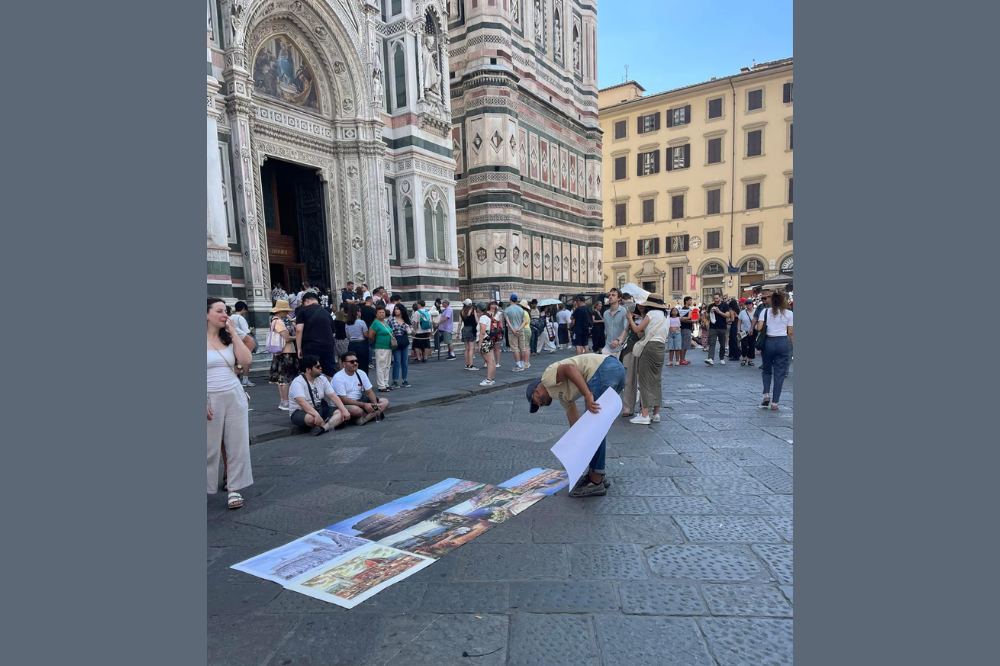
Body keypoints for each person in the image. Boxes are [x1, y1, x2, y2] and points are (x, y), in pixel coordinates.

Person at [525, 353, 626, 497]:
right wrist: (576, 442)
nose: (539, 406)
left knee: (593, 429)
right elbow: (576, 424)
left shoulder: (547, 378)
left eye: (535, 402)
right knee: (594, 429)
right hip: (616, 371)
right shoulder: (561, 395)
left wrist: (587, 395)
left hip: (604, 370)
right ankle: (598, 474)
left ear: (536, 391)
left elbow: (570, 369)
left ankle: (595, 481)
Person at [207, 298, 253, 510]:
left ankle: (234, 488)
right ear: (206, 314)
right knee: (209, 447)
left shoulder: (228, 338)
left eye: (226, 310)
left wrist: (234, 333)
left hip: (234, 395)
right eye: (219, 311)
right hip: (209, 397)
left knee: (236, 445)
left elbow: (246, 361)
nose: (225, 314)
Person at [626, 295, 669, 424]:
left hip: (650, 347)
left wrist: (630, 319)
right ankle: (656, 414)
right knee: (656, 380)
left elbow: (636, 329)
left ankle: (644, 415)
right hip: (661, 348)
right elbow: (644, 332)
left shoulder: (651, 314)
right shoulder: (664, 316)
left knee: (644, 380)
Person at [288, 356, 351, 435]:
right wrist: (316, 415)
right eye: (317, 367)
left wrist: (344, 410)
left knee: (341, 413)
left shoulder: (323, 379)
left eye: (321, 366)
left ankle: (323, 429)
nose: (321, 368)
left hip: (319, 408)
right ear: (308, 369)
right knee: (312, 418)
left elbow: (333, 396)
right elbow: (302, 402)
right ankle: (330, 424)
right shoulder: (298, 382)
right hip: (300, 411)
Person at [756, 290, 793, 410]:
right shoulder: (789, 313)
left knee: (766, 370)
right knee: (780, 373)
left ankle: (766, 394)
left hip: (768, 342)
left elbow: (760, 328)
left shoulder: (765, 311)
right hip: (782, 342)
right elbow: (791, 333)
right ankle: (775, 403)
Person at [332, 352, 389, 425]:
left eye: (356, 361)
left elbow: (369, 392)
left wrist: (375, 404)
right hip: (345, 403)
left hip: (360, 400)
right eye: (352, 362)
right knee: (357, 411)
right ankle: (368, 415)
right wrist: (364, 405)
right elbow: (344, 400)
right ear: (344, 364)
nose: (355, 363)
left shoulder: (361, 373)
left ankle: (364, 419)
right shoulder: (338, 377)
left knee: (385, 402)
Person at [294, 292, 337, 379]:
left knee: (310, 370)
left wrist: (298, 348)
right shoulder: (326, 312)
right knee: (329, 372)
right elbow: (333, 334)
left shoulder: (302, 311)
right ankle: (331, 391)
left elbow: (299, 330)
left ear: (306, 301)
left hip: (310, 346)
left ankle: (312, 391)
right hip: (327, 346)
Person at [266, 300, 298, 411]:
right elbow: (287, 338)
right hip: (286, 351)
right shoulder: (279, 322)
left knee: (280, 378)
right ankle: (286, 401)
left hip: (279, 352)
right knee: (285, 378)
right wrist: (297, 337)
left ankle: (283, 400)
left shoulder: (273, 320)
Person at [230, 301, 257, 387]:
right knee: (245, 360)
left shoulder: (231, 317)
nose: (245, 312)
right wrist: (251, 330)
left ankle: (236, 378)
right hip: (243, 341)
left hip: (233, 342)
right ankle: (245, 379)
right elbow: (246, 331)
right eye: (245, 310)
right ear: (243, 309)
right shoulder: (240, 318)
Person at [370, 304, 394, 392]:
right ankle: (381, 385)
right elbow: (371, 335)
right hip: (380, 347)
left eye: (383, 312)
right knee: (381, 366)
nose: (381, 314)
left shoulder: (385, 322)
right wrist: (375, 342)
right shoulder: (375, 323)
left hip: (388, 347)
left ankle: (386, 383)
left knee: (387, 366)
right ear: (376, 314)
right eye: (379, 312)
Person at [705, 293, 732, 365]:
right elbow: (707, 317)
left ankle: (722, 358)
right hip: (713, 327)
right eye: (714, 298)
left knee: (722, 344)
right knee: (712, 343)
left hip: (722, 327)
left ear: (720, 298)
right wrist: (710, 312)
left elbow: (727, 315)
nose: (715, 300)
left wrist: (718, 311)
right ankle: (711, 358)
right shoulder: (711, 305)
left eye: (717, 298)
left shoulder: (725, 305)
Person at [390, 303, 412, 388]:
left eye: (397, 309)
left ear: (401, 310)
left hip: (404, 340)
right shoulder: (392, 319)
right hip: (396, 341)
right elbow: (388, 328)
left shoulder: (405, 319)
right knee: (397, 362)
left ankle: (404, 379)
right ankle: (395, 380)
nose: (396, 310)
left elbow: (412, 331)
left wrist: (408, 327)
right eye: (395, 309)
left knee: (405, 362)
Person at [504, 295, 528, 372]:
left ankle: (518, 365)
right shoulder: (521, 309)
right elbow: (524, 321)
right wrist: (519, 329)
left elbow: (508, 322)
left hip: (512, 331)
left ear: (510, 300)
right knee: (522, 347)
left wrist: (513, 330)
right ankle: (522, 363)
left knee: (514, 348)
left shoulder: (507, 310)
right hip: (521, 330)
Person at [602, 288, 628, 359]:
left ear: (619, 298)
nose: (610, 297)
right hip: (608, 347)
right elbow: (606, 330)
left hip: (620, 347)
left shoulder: (624, 311)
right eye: (609, 295)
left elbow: (626, 329)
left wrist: (618, 340)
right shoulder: (606, 313)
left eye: (613, 295)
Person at [476, 301, 497, 386]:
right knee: (491, 360)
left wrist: (479, 345)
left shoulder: (483, 318)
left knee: (489, 361)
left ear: (478, 309)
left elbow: (482, 332)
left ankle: (489, 379)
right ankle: (491, 378)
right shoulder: (488, 316)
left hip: (485, 340)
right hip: (490, 339)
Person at [460, 299, 479, 370]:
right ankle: (471, 365)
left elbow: (459, 323)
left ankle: (466, 364)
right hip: (471, 329)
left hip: (465, 329)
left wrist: (458, 332)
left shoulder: (461, 312)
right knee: (471, 348)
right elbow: (477, 321)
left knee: (466, 348)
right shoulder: (473, 311)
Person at [677, 296, 695, 365]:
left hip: (688, 328)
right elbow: (682, 319)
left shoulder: (689, 309)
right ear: (686, 301)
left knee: (686, 344)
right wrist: (692, 322)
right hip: (684, 328)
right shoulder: (684, 309)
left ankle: (683, 358)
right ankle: (681, 359)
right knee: (684, 344)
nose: (691, 302)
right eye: (690, 300)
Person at [738, 299, 756, 366]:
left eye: (749, 303)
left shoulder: (755, 312)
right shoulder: (742, 312)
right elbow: (739, 321)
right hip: (744, 331)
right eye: (747, 304)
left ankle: (750, 359)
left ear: (752, 304)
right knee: (744, 345)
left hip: (753, 331)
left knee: (752, 345)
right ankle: (744, 358)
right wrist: (738, 330)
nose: (748, 305)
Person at [519, 301, 533, 369]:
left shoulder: (523, 313)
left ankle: (526, 362)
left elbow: (524, 322)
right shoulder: (527, 312)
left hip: (525, 329)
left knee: (525, 347)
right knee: (526, 346)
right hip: (528, 329)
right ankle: (527, 362)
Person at [728, 296, 742, 361]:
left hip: (734, 325)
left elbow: (732, 319)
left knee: (732, 339)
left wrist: (726, 321)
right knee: (735, 340)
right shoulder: (738, 310)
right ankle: (735, 353)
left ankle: (735, 354)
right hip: (737, 324)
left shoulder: (731, 310)